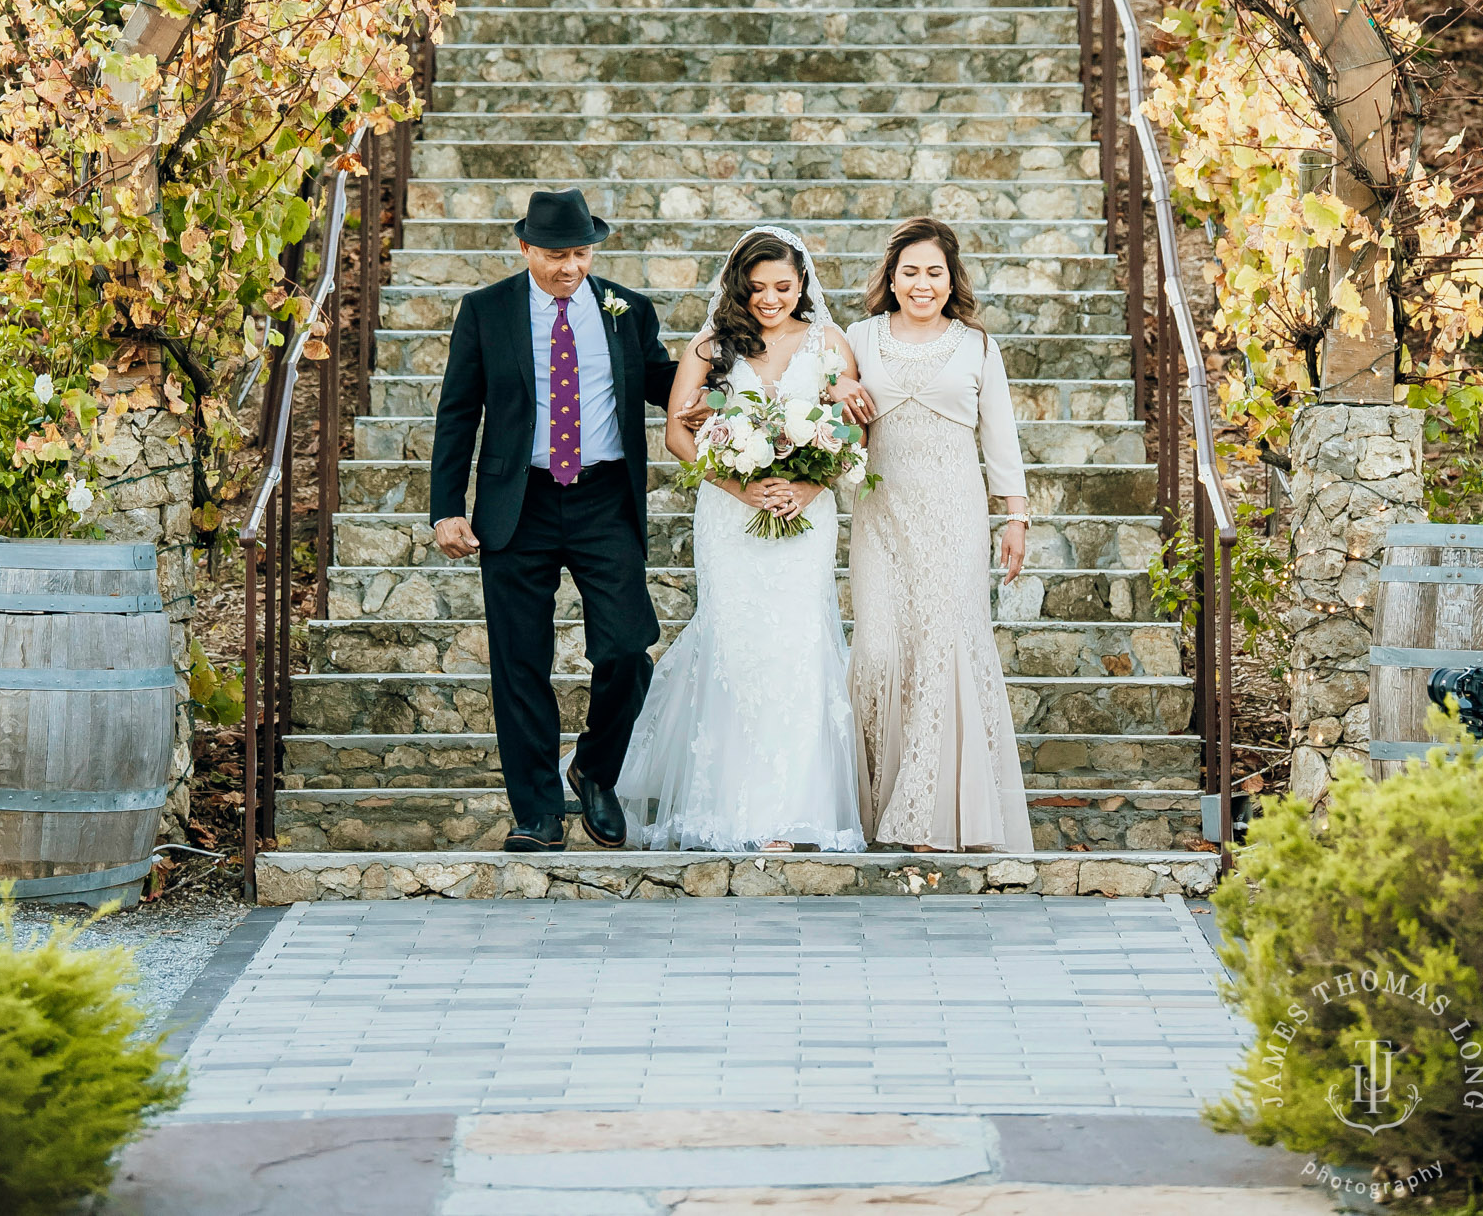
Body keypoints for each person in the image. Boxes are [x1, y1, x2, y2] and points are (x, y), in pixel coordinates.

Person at [428, 187, 675, 853]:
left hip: (604, 501)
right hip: (519, 505)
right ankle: (536, 812)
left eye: (579, 253)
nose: (569, 267)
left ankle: (595, 769)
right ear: (525, 249)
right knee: (519, 663)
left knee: (628, 646)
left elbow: (663, 382)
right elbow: (458, 411)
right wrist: (446, 507)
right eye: (555, 254)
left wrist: (740, 371)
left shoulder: (628, 310)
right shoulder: (487, 311)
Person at [618, 226, 869, 853]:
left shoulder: (830, 344)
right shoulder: (711, 347)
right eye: (757, 288)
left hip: (805, 519)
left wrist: (809, 490)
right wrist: (742, 488)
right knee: (735, 643)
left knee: (797, 645)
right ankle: (726, 809)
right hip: (731, 517)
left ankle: (792, 813)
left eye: (783, 286)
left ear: (803, 283)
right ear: (739, 286)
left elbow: (854, 432)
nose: (769, 299)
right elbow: (678, 434)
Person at [846, 215, 1032, 853]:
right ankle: (874, 806)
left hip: (955, 516)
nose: (922, 284)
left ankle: (926, 817)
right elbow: (828, 406)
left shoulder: (976, 346)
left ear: (951, 280)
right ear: (891, 278)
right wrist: (842, 388)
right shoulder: (858, 338)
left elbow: (999, 435)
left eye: (934, 273)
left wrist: (1016, 515)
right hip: (881, 518)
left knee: (940, 654)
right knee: (877, 650)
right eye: (910, 272)